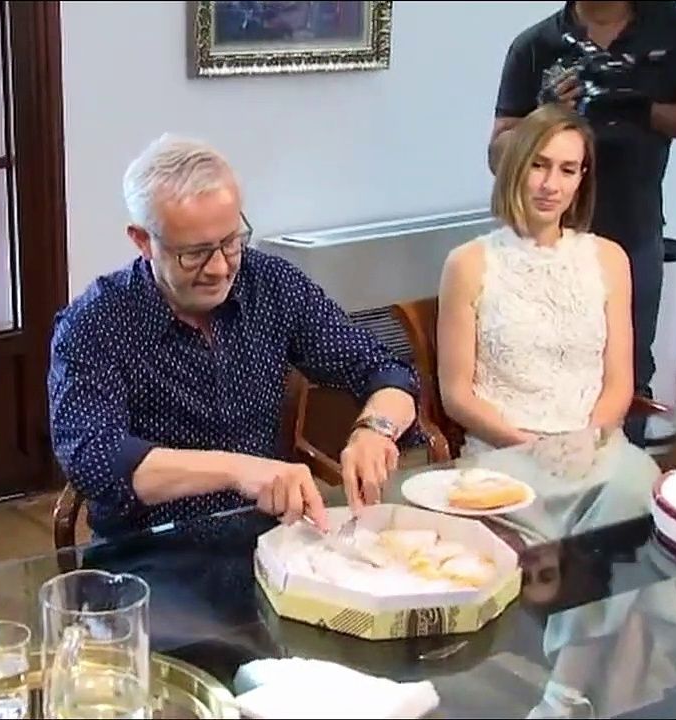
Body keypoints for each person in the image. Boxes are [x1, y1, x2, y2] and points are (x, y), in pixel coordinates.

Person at [47, 134, 421, 541]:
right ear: (142, 241)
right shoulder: (95, 322)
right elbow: (95, 458)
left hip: (270, 535)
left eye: (231, 242)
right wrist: (238, 470)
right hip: (151, 548)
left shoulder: (271, 284)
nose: (220, 268)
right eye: (194, 253)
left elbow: (387, 371)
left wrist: (375, 429)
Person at [488, 1, 676, 399]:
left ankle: (622, 440)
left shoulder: (669, 25)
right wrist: (543, 119)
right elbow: (497, 155)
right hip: (549, 239)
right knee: (542, 367)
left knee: (629, 372)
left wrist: (639, 106)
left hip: (634, 233)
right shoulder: (536, 45)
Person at [442, 103, 635, 459]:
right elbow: (457, 396)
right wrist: (533, 450)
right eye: (538, 165)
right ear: (516, 167)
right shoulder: (467, 263)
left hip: (594, 450)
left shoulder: (611, 259)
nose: (551, 185)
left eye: (567, 170)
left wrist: (585, 444)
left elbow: (619, 385)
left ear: (581, 178)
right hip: (505, 452)